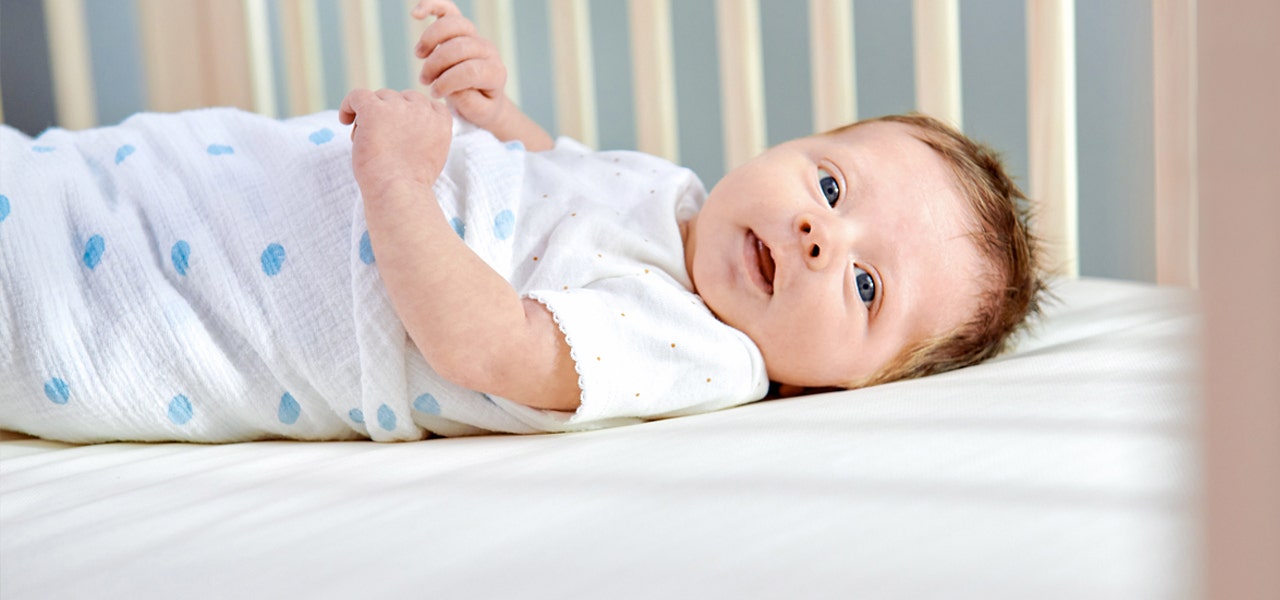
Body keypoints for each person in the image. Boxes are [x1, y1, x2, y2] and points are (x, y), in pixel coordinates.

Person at [0, 0, 1042, 443]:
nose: (823, 239)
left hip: (196, 297)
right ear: (790, 145)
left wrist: (401, 187)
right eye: (828, 185)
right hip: (185, 185)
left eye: (865, 288)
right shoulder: (670, 195)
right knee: (57, 186)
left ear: (845, 385)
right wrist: (490, 113)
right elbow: (558, 184)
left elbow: (488, 342)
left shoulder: (701, 352)